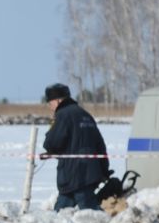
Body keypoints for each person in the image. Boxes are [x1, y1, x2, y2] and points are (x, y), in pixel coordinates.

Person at [42, 83, 109, 211]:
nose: (50, 108)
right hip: (89, 172)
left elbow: (51, 144)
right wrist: (104, 169)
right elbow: (100, 145)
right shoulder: (85, 115)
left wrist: (52, 127)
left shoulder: (62, 115)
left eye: (50, 104)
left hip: (75, 174)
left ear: (58, 100)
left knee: (90, 211)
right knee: (62, 208)